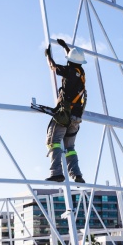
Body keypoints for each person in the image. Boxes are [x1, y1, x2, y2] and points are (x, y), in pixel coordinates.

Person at [45, 39, 87, 184]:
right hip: (76, 117)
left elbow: (53, 67)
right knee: (70, 147)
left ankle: (56, 173)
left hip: (65, 115)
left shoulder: (68, 71)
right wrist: (65, 47)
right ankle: (76, 175)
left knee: (54, 142)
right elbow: (73, 58)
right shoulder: (80, 72)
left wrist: (48, 56)